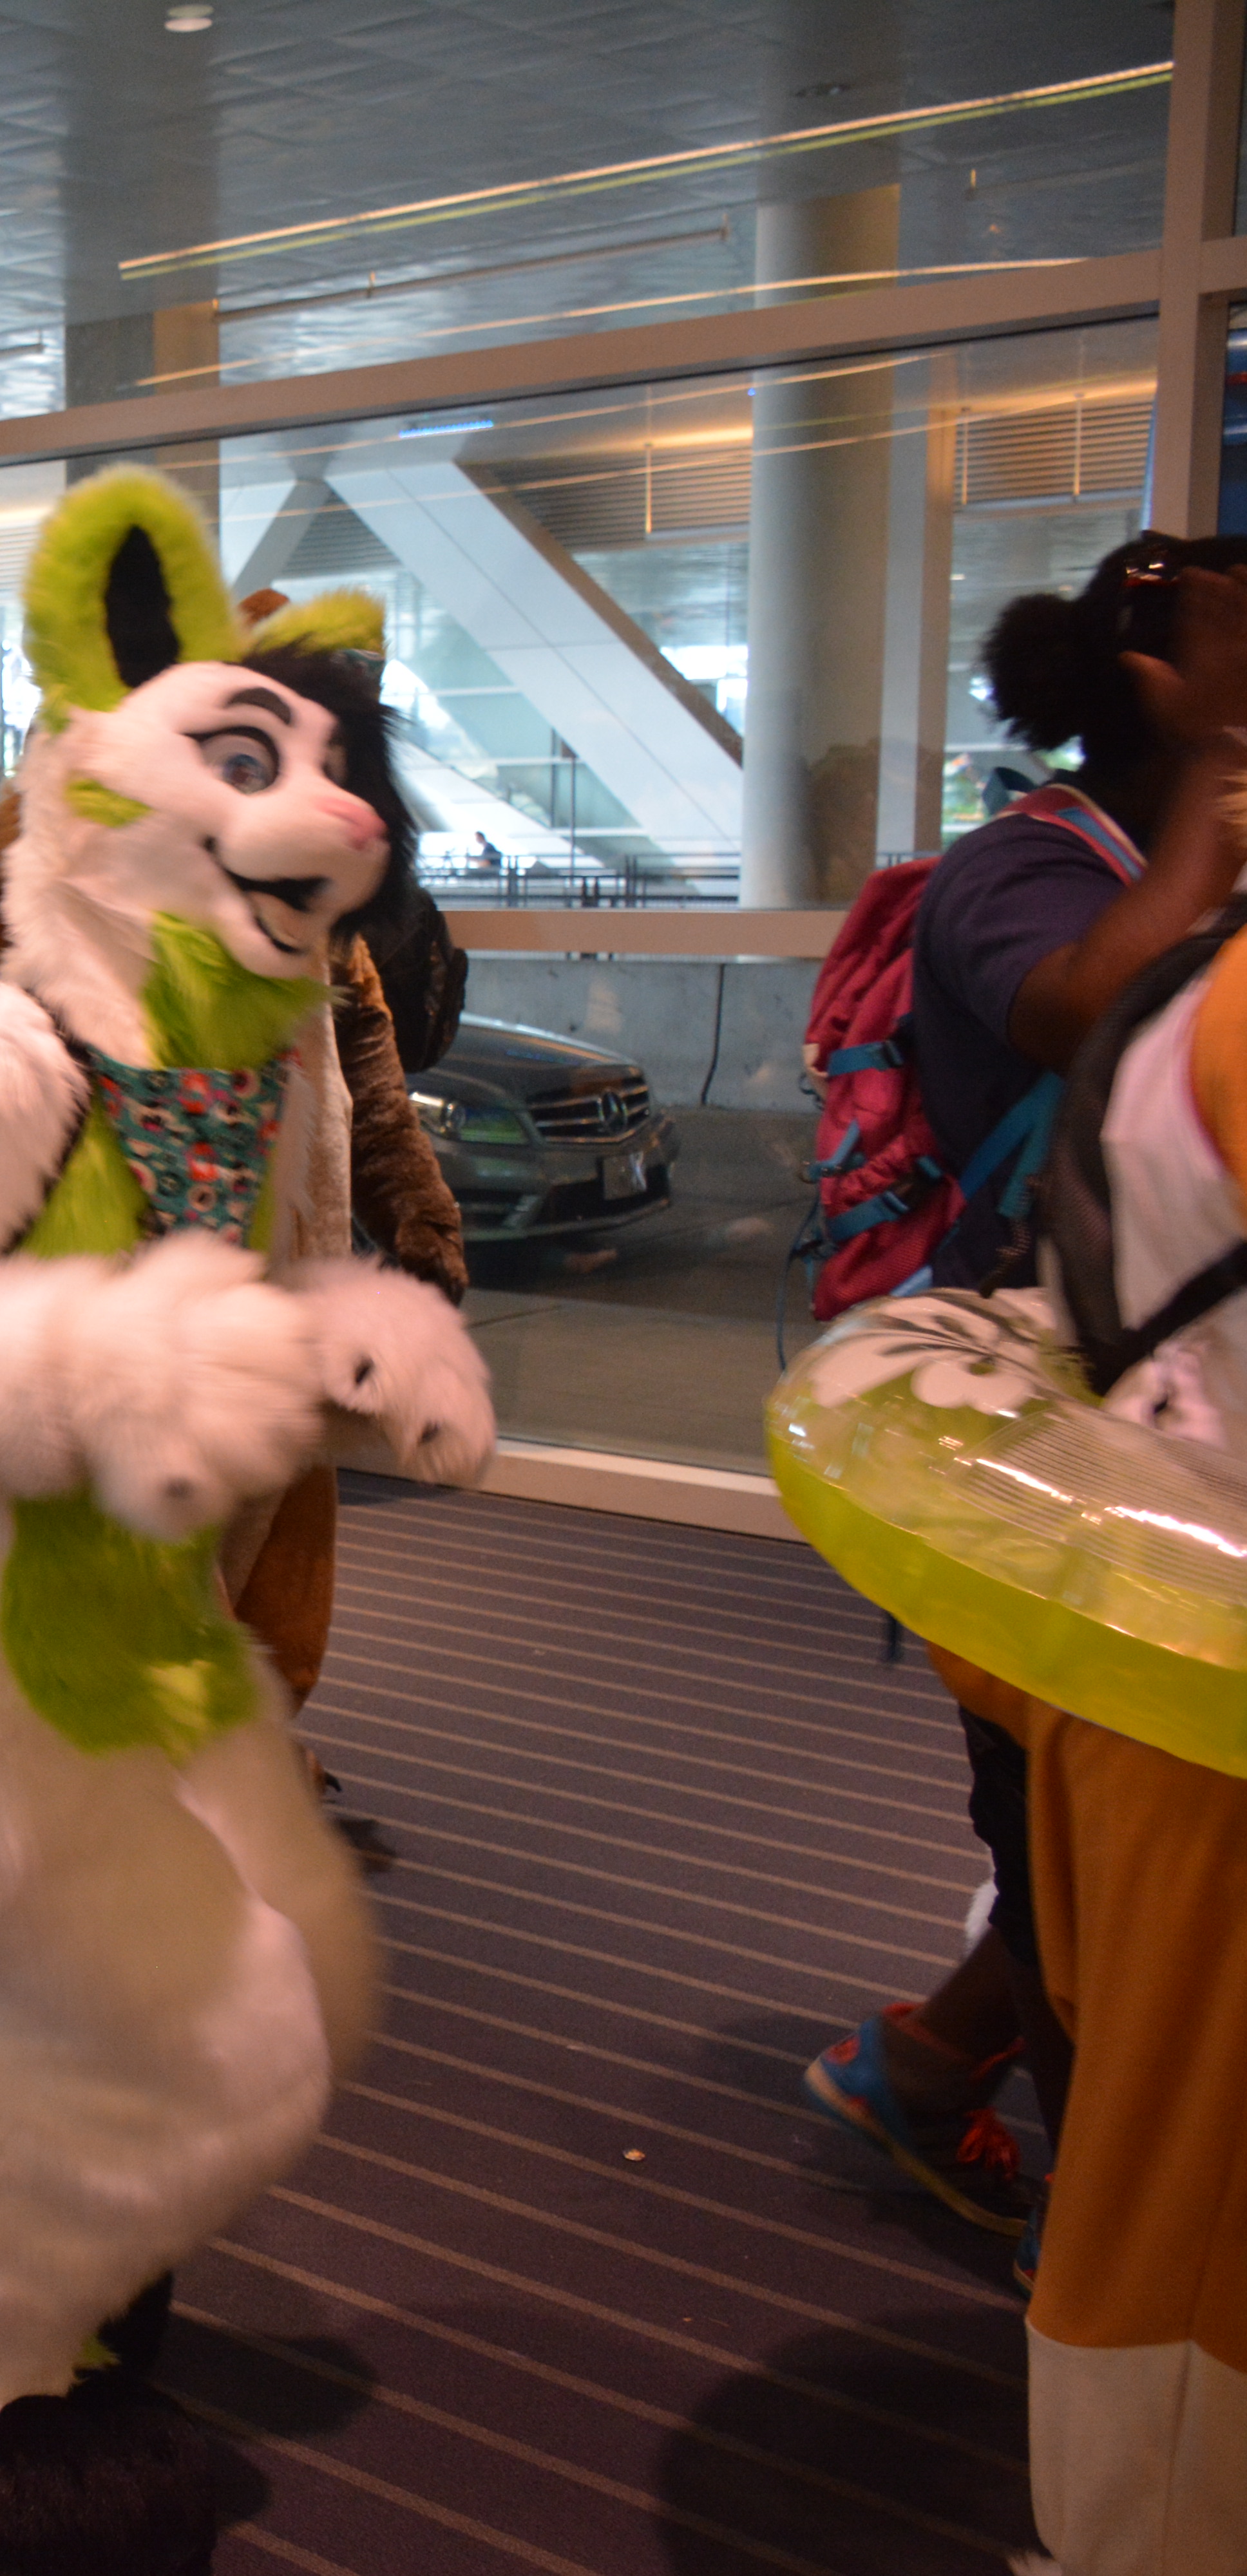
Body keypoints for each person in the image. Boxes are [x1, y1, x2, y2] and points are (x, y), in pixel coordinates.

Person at [804, 535, 1247, 2264]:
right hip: (1036, 1432)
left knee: (1130, 1816)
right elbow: (1087, 1012)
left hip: (1162, 1414)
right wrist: (1214, 785)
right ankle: (1087, 2255)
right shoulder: (1023, 869)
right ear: (1164, 686)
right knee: (1064, 1829)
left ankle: (924, 2070)